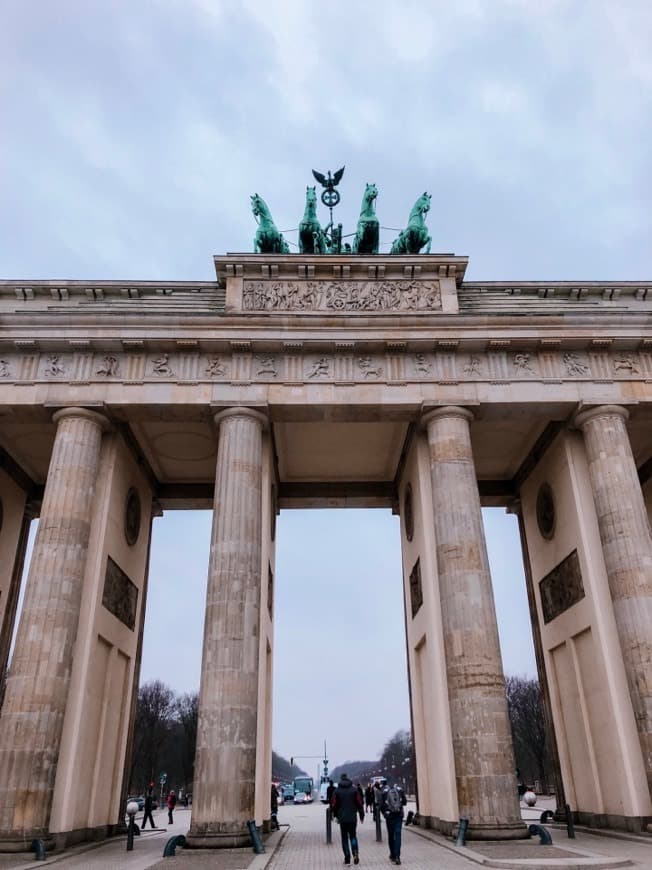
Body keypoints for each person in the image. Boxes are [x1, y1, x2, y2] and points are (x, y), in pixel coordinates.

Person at [331, 773, 364, 866]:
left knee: (344, 838)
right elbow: (360, 803)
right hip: (352, 818)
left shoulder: (337, 791)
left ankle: (347, 858)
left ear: (341, 780)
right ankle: (355, 852)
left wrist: (334, 814)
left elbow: (333, 804)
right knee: (353, 836)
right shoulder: (354, 790)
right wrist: (361, 814)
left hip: (342, 818)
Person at [381, 780, 407, 865]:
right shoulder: (399, 790)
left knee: (391, 835)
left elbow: (381, 805)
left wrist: (385, 813)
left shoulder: (384, 791)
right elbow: (405, 802)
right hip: (398, 815)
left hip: (389, 816)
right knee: (398, 835)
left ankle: (392, 854)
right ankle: (397, 856)